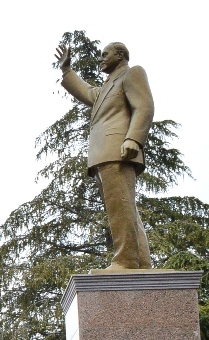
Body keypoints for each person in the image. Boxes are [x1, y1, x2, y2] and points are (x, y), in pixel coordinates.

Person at [55, 41, 154, 270]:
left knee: (121, 206)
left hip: (118, 150)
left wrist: (133, 139)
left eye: (105, 54)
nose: (100, 59)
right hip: (104, 154)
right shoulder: (107, 87)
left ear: (120, 55)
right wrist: (66, 70)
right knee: (125, 208)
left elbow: (144, 106)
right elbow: (87, 92)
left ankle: (126, 260)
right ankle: (141, 261)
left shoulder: (132, 73)